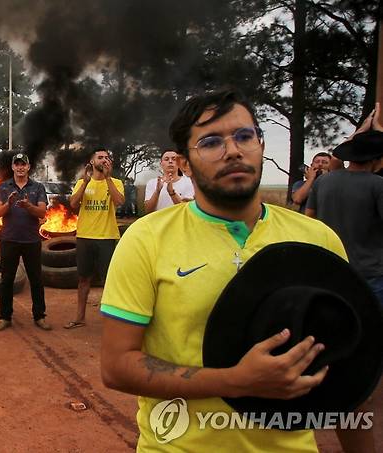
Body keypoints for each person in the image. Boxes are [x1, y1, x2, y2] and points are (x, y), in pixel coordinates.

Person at [100, 89, 372, 452]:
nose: (233, 150)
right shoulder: (145, 240)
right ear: (185, 162)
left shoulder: (318, 239)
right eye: (211, 142)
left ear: (260, 144)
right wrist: (235, 381)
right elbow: (117, 365)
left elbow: (348, 373)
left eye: (245, 136)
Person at [306, 103, 383, 307]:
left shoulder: (323, 182)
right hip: (370, 274)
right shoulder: (378, 185)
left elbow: (308, 219)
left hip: (331, 269)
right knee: (373, 331)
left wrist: (361, 131)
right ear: (377, 160)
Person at [66, 148, 124, 329]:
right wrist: (84, 183)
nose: (105, 160)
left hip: (107, 237)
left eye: (107, 157)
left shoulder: (115, 182)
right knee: (84, 279)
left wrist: (107, 178)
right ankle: (80, 317)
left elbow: (119, 201)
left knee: (109, 280)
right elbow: (73, 204)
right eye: (100, 157)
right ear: (92, 162)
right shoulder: (83, 182)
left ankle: (111, 320)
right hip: (84, 236)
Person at [0, 153, 51, 331]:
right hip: (9, 239)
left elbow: (42, 213)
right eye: (17, 165)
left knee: (36, 279)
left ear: (28, 167)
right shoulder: (3, 187)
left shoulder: (38, 187)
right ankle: (4, 316)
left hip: (31, 240)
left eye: (23, 164)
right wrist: (9, 204)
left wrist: (28, 206)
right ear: (12, 167)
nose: (20, 168)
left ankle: (39, 316)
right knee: (7, 279)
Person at [144, 149, 195, 213]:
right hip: (160, 222)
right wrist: (157, 191)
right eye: (166, 159)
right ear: (161, 164)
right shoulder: (152, 183)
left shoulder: (188, 182)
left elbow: (187, 210)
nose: (170, 161)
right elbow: (148, 210)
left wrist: (172, 193)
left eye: (174, 159)